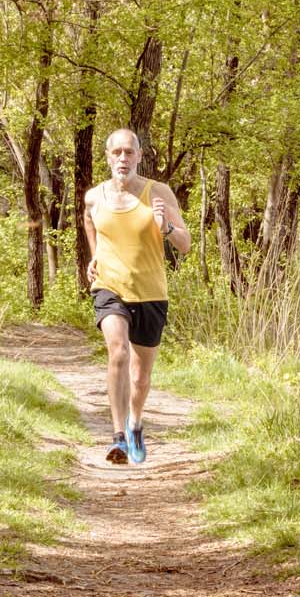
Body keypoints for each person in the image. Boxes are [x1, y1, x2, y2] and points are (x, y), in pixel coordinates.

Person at [83, 128, 191, 464]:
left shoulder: (158, 193)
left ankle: (135, 423)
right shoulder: (94, 197)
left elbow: (185, 244)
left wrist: (166, 228)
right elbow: (89, 220)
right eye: (116, 152)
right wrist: (95, 254)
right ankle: (118, 438)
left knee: (140, 377)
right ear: (107, 157)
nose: (123, 159)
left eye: (129, 152)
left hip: (150, 293)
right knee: (117, 351)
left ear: (140, 156)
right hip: (110, 287)